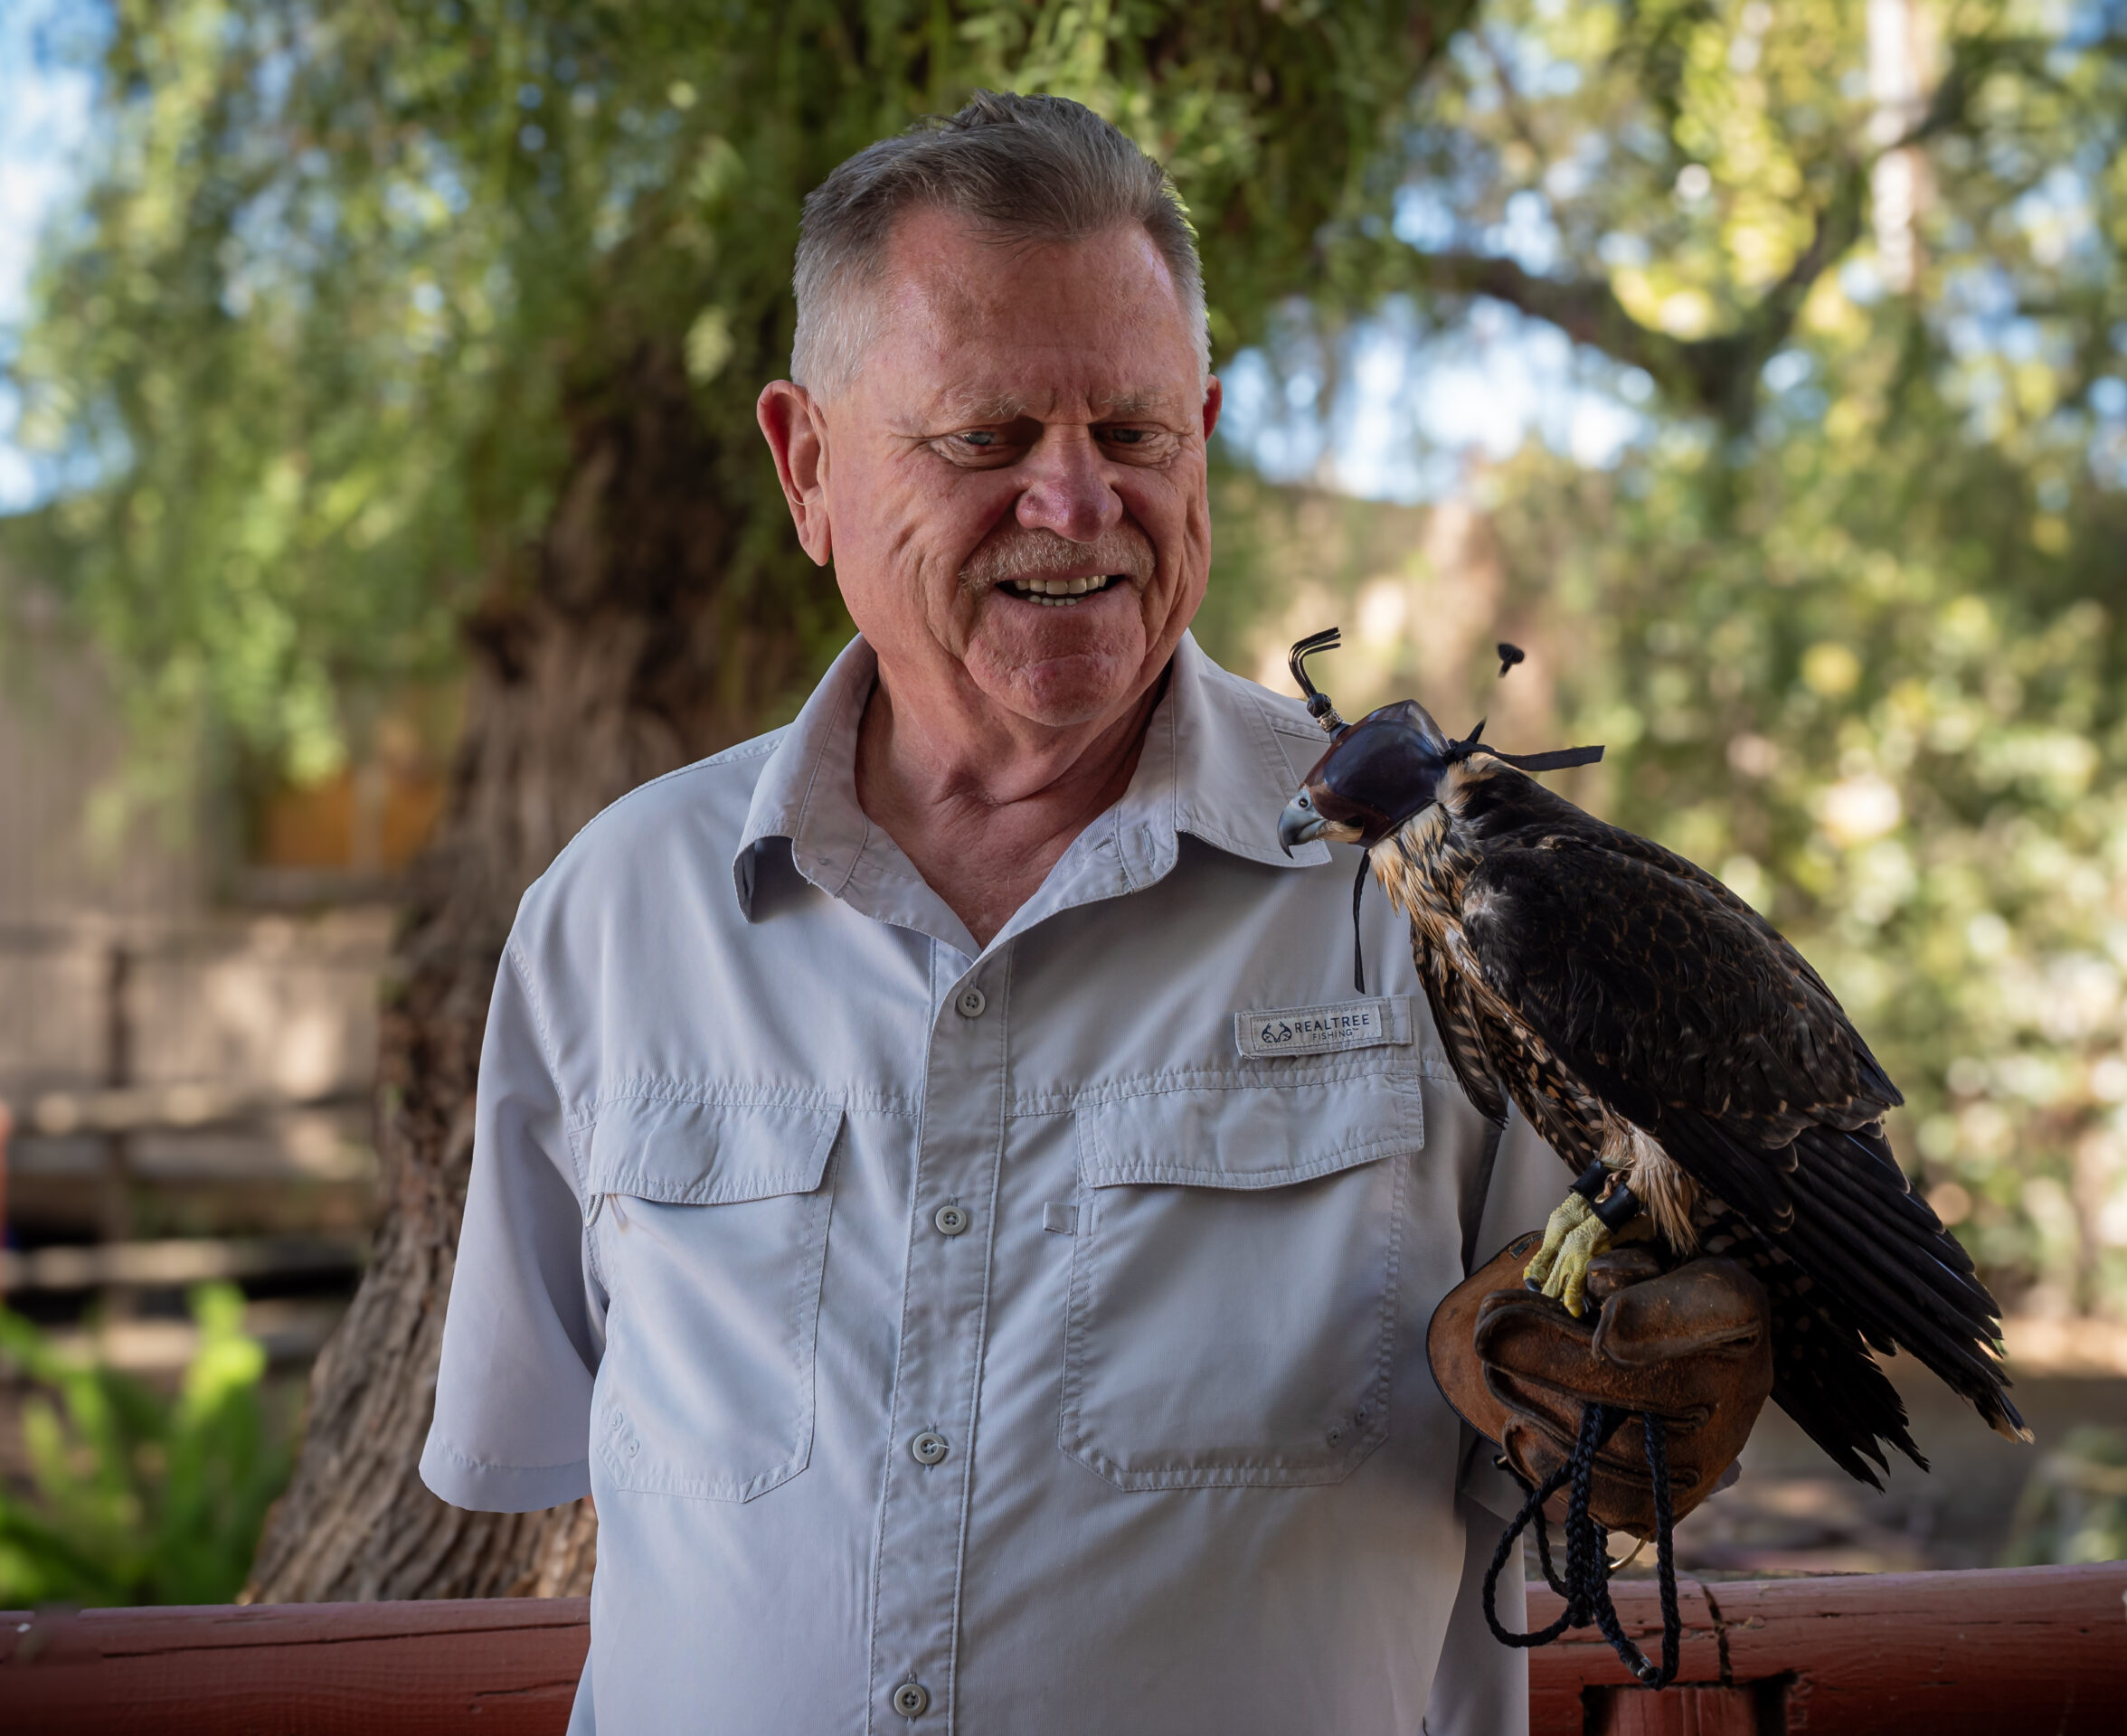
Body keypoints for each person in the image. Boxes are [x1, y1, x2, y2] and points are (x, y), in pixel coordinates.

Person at [420, 91, 1557, 1735]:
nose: (1078, 502)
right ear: (808, 467)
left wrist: (1639, 1397)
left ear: (1209, 443)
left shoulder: (1442, 897)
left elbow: (1608, 1444)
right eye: (988, 439)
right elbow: (556, 1473)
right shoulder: (616, 911)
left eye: (1138, 436)